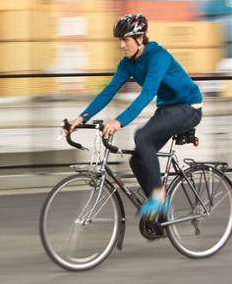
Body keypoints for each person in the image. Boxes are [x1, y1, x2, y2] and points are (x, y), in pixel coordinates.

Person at [67, 13, 203, 219]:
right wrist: (81, 117)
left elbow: (147, 93)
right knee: (136, 160)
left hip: (189, 107)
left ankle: (158, 196)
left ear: (140, 39)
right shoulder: (127, 63)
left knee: (142, 136)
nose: (122, 45)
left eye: (125, 40)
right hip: (167, 109)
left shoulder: (158, 56)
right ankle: (161, 211)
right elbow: (109, 91)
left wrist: (120, 120)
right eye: (120, 40)